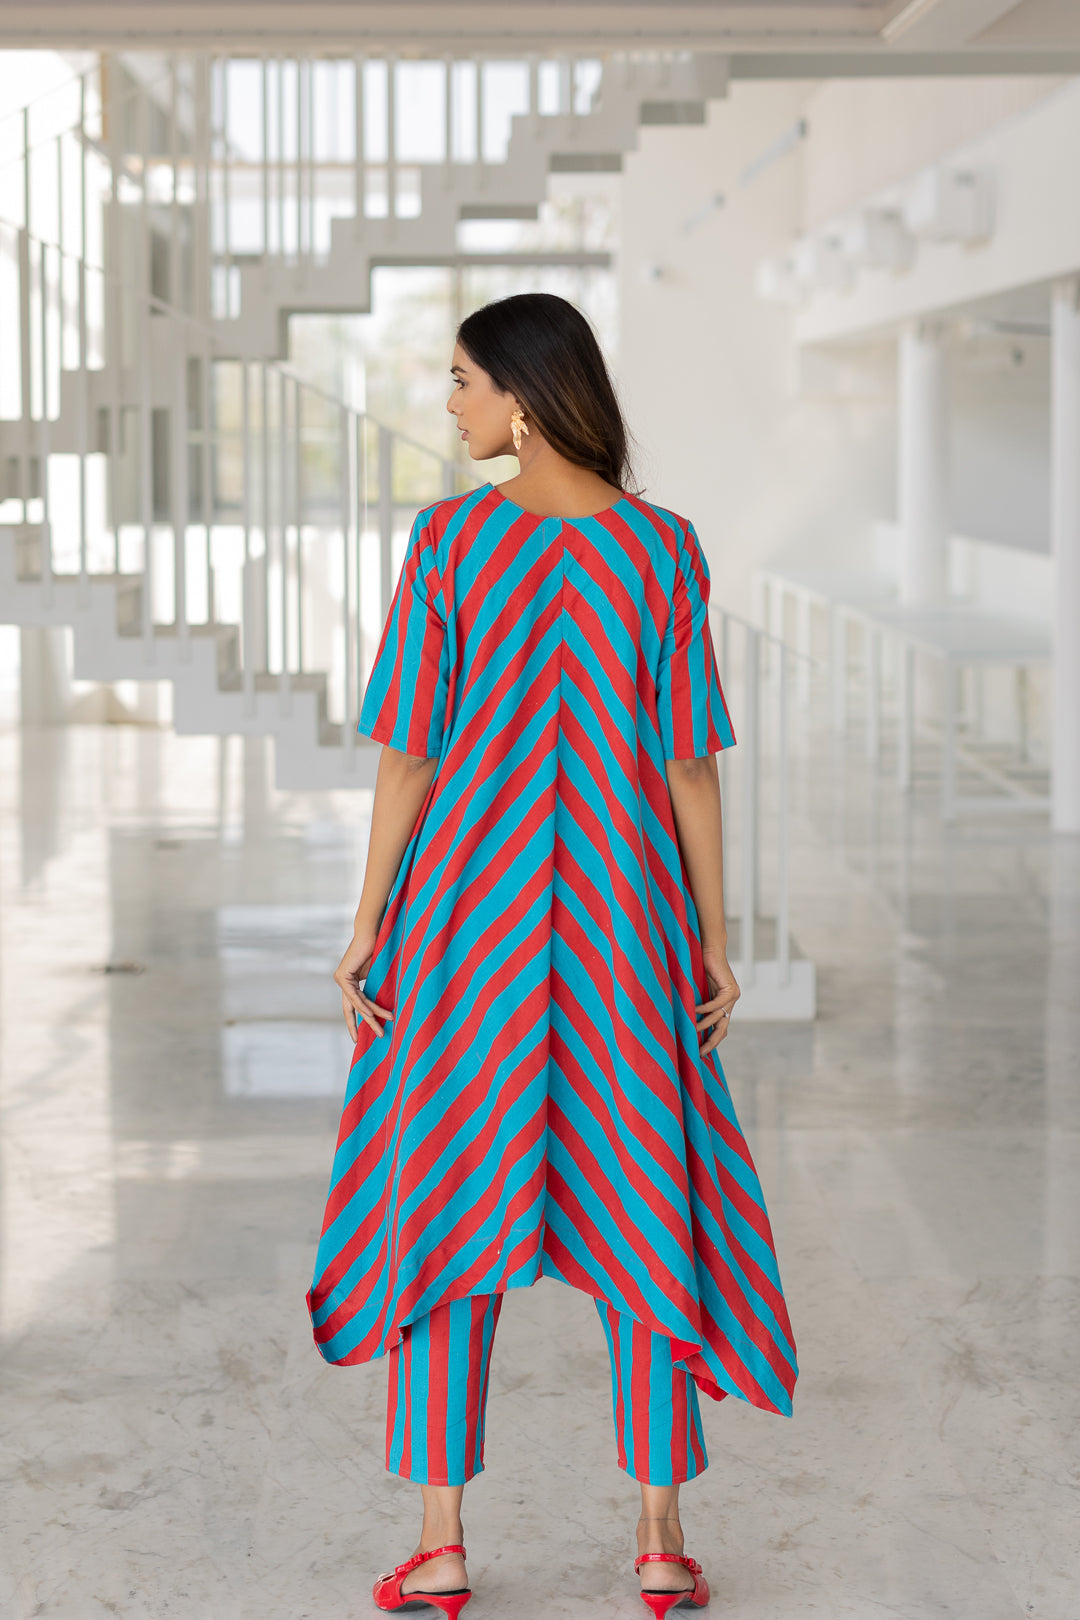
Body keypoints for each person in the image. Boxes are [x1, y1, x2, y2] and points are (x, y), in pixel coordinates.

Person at [306, 292, 797, 1618]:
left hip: (469, 925)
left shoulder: (452, 540)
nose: (451, 403)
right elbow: (688, 764)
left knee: (446, 1205)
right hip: (626, 927)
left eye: (462, 380)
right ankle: (660, 1542)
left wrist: (368, 919)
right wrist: (710, 937)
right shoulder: (663, 548)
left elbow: (410, 749)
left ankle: (441, 1543)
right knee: (647, 1211)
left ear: (522, 396)